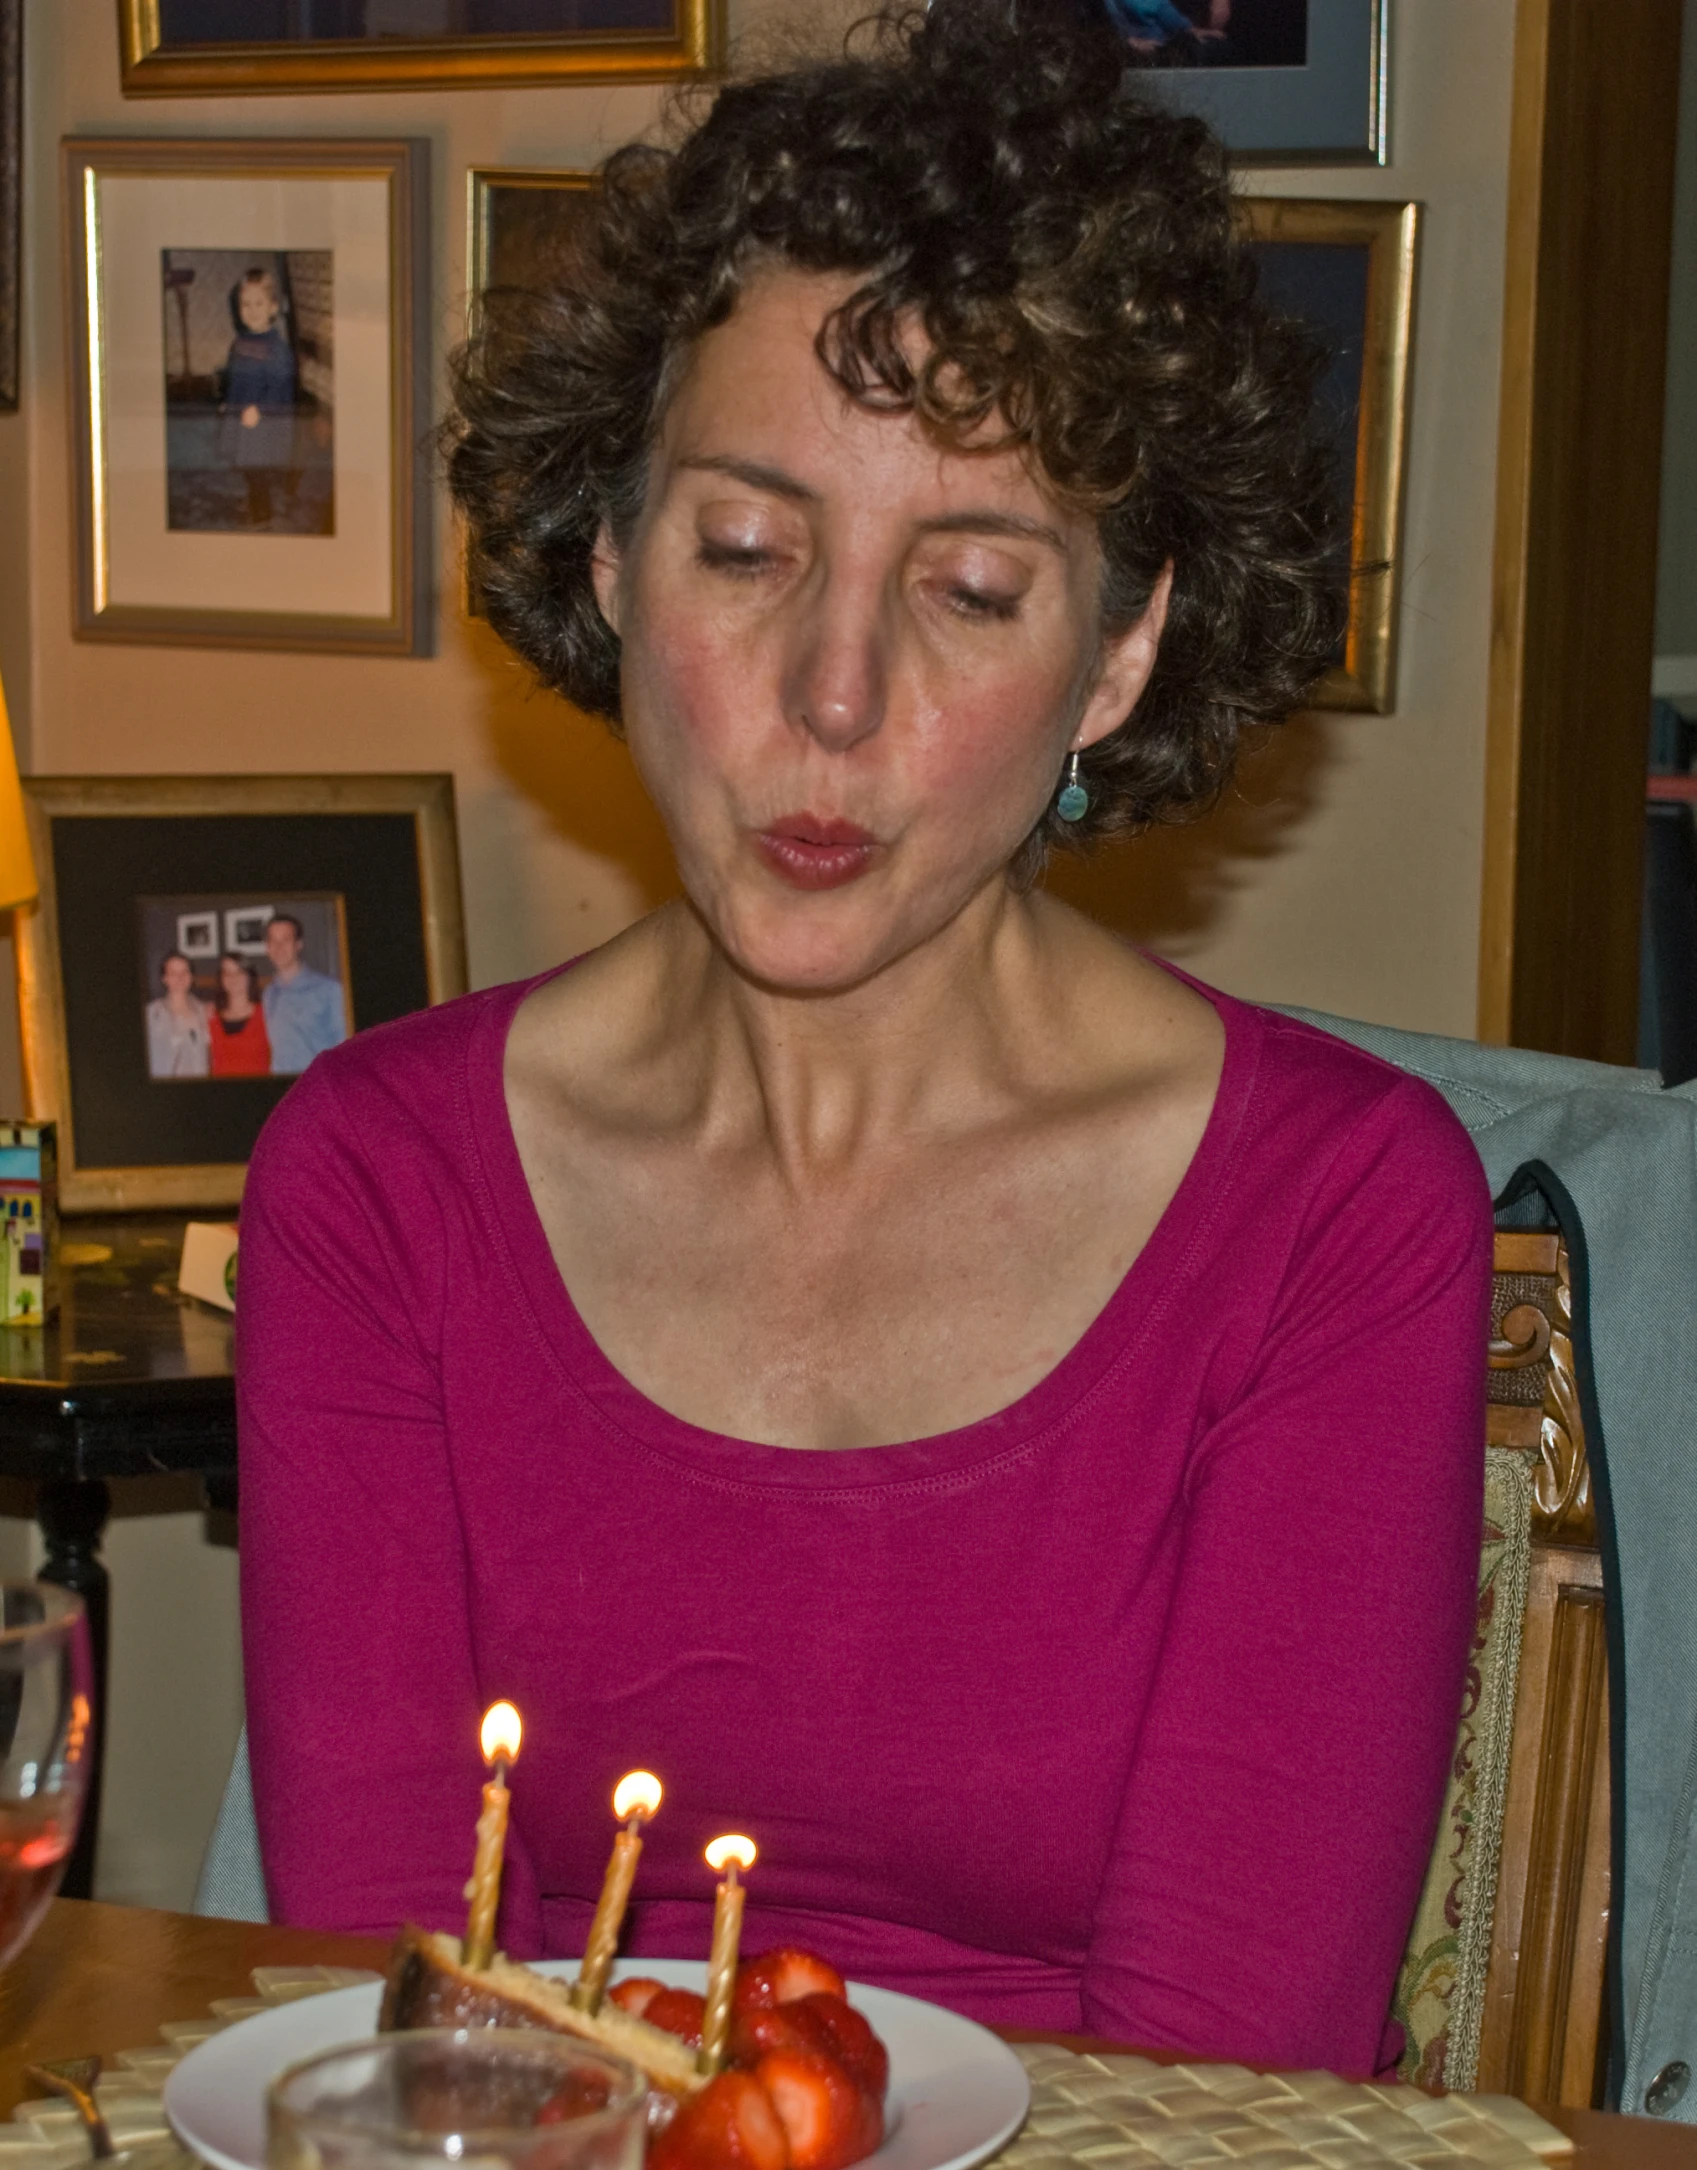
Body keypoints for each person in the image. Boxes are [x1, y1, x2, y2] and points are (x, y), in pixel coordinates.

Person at [238, 0, 1491, 2079]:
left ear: (1120, 651)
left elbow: (1211, 2091)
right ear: (605, 554)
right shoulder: (378, 1181)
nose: (830, 692)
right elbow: (408, 2040)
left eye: (971, 589)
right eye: (745, 547)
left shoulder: (1328, 1218)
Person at [219, 267, 299, 530]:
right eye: (246, 304)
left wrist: (261, 409)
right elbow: (234, 375)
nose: (251, 310)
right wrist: (228, 400)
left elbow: (281, 387)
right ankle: (254, 496)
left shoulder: (278, 349)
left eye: (259, 303)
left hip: (264, 422)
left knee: (257, 468)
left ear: (273, 307)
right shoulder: (241, 342)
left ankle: (262, 513)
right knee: (245, 462)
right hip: (241, 414)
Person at [260, 914, 346, 1075]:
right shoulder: (269, 993)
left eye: (286, 940)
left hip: (317, 1086)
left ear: (298, 944)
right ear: (267, 947)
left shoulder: (329, 990)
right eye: (273, 941)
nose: (279, 947)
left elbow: (345, 1048)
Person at [144, 951, 210, 1079]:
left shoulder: (204, 1011)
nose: (180, 977)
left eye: (185, 972)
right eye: (173, 973)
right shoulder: (152, 1014)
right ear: (164, 978)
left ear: (191, 976)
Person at [208, 953, 272, 1079]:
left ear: (249, 976)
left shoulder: (267, 1014)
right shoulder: (210, 1017)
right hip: (220, 1095)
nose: (233, 978)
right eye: (227, 973)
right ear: (221, 978)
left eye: (239, 972)